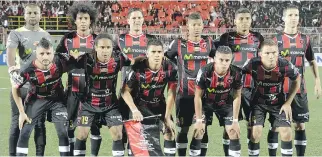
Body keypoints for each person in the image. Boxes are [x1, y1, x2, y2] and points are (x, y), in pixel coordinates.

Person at [267, 4, 322, 156]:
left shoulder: (305, 39)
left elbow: (311, 61)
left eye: (296, 15)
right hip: (279, 92)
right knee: (277, 127)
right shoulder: (275, 40)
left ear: (299, 18)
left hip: (299, 91)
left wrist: (317, 81)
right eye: (290, 15)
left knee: (300, 126)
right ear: (284, 18)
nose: (293, 18)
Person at [74, 33, 139, 156]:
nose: (105, 51)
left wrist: (146, 59)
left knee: (118, 134)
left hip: (110, 105)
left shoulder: (118, 58)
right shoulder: (85, 59)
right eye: (102, 48)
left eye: (108, 47)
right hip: (89, 105)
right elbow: (68, 64)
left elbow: (132, 62)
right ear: (96, 48)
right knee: (82, 134)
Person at [165, 12, 216, 156]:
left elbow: (219, 58)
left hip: (204, 96)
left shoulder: (209, 43)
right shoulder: (179, 43)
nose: (197, 27)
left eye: (199, 24)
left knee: (202, 128)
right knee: (183, 129)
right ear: (188, 26)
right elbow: (166, 59)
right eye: (193, 25)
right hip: (185, 95)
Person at [55, 2, 102, 156]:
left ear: (91, 21)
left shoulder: (98, 40)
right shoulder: (67, 39)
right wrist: (69, 57)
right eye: (80, 18)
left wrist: (88, 55)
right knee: (70, 126)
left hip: (94, 90)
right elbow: (57, 58)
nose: (83, 21)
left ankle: (93, 154)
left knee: (94, 126)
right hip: (72, 90)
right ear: (75, 20)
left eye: (86, 18)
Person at [11, 38, 69, 156]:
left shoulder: (60, 61)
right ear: (36, 54)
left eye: (48, 53)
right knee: (25, 132)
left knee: (63, 132)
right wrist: (22, 112)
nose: (45, 57)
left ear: (53, 53)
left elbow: (76, 68)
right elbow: (15, 89)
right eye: (42, 53)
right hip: (36, 100)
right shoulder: (27, 70)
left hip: (57, 101)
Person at [218, 8, 264, 156]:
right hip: (231, 90)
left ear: (251, 21)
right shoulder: (226, 38)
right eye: (241, 19)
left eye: (247, 18)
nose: (244, 22)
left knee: (253, 128)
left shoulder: (258, 37)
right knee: (229, 128)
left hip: (252, 89)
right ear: (235, 21)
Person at [6, 3, 50, 156]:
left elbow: (48, 60)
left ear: (40, 15)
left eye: (35, 13)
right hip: (21, 87)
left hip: (40, 87)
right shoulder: (16, 33)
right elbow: (10, 57)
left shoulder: (46, 35)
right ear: (24, 15)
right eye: (29, 13)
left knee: (39, 124)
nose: (32, 16)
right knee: (17, 121)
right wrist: (13, 73)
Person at [244, 39, 301, 156]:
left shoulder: (284, 65)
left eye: (274, 53)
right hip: (258, 103)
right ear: (260, 54)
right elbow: (238, 74)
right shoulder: (252, 63)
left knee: (286, 132)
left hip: (278, 103)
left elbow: (297, 79)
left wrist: (288, 103)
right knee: (255, 134)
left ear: (278, 53)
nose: (271, 56)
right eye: (267, 53)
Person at [121, 39, 177, 156]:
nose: (157, 55)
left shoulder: (171, 68)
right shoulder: (137, 68)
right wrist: (134, 110)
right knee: (136, 140)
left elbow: (171, 92)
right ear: (147, 54)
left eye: (159, 52)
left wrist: (167, 116)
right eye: (153, 52)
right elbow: (124, 91)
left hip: (159, 104)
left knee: (170, 132)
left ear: (163, 53)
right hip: (139, 106)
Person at [116, 8, 156, 153]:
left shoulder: (150, 39)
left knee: (140, 133)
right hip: (125, 91)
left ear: (143, 20)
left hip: (145, 93)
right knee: (122, 131)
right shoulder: (120, 39)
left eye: (139, 18)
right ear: (128, 21)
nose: (137, 21)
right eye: (133, 18)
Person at [194, 46, 242, 157]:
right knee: (198, 132)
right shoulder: (205, 72)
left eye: (227, 60)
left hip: (225, 104)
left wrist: (235, 120)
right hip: (206, 104)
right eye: (221, 60)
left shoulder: (236, 73)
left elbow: (237, 96)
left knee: (234, 132)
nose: (224, 63)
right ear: (215, 59)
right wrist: (199, 120)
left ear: (231, 60)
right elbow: (197, 97)